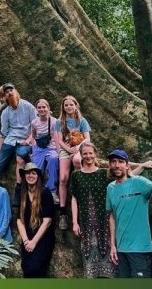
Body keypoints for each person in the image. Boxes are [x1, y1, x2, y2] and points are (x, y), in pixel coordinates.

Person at [69, 142, 152, 278]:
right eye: (85, 153)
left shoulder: (105, 173)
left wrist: (142, 166)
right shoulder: (76, 175)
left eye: (90, 153)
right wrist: (75, 222)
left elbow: (126, 176)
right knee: (89, 255)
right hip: (86, 223)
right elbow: (74, 198)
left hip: (105, 221)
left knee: (112, 259)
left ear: (95, 154)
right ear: (81, 155)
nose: (88, 156)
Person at [105, 148, 152, 278]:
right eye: (113, 161)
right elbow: (112, 216)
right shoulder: (111, 188)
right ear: (110, 165)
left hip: (139, 248)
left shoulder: (139, 182)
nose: (117, 165)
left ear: (127, 165)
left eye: (120, 161)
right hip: (121, 249)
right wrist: (113, 245)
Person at [0, 83, 37, 207]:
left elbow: (35, 127)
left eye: (11, 90)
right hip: (10, 140)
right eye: (7, 92)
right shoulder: (5, 112)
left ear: (16, 92)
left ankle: (18, 190)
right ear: (4, 97)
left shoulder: (28, 107)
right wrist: (0, 151)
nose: (10, 93)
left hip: (25, 140)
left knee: (20, 158)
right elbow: (3, 133)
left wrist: (28, 140)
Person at [56, 95, 91, 229]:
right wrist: (68, 149)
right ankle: (63, 213)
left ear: (76, 106)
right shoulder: (60, 122)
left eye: (71, 104)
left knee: (77, 161)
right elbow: (59, 140)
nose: (69, 107)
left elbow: (87, 138)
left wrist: (78, 147)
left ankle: (80, 195)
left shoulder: (82, 120)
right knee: (63, 178)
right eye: (66, 105)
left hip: (79, 148)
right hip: (66, 149)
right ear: (63, 108)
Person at [16, 162, 56, 277]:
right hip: (27, 238)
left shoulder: (45, 193)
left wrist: (33, 242)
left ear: (38, 176)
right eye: (28, 173)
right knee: (26, 269)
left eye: (33, 173)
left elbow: (47, 221)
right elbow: (19, 220)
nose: (30, 176)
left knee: (36, 269)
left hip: (42, 238)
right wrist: (26, 241)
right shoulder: (22, 194)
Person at [26, 99, 60, 204]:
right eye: (39, 107)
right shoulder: (34, 122)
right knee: (35, 168)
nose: (42, 109)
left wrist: (59, 152)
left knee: (53, 159)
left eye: (44, 107)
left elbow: (56, 137)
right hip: (39, 148)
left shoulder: (54, 121)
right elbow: (33, 135)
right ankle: (35, 191)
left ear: (48, 108)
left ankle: (52, 190)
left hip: (51, 147)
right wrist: (33, 149)